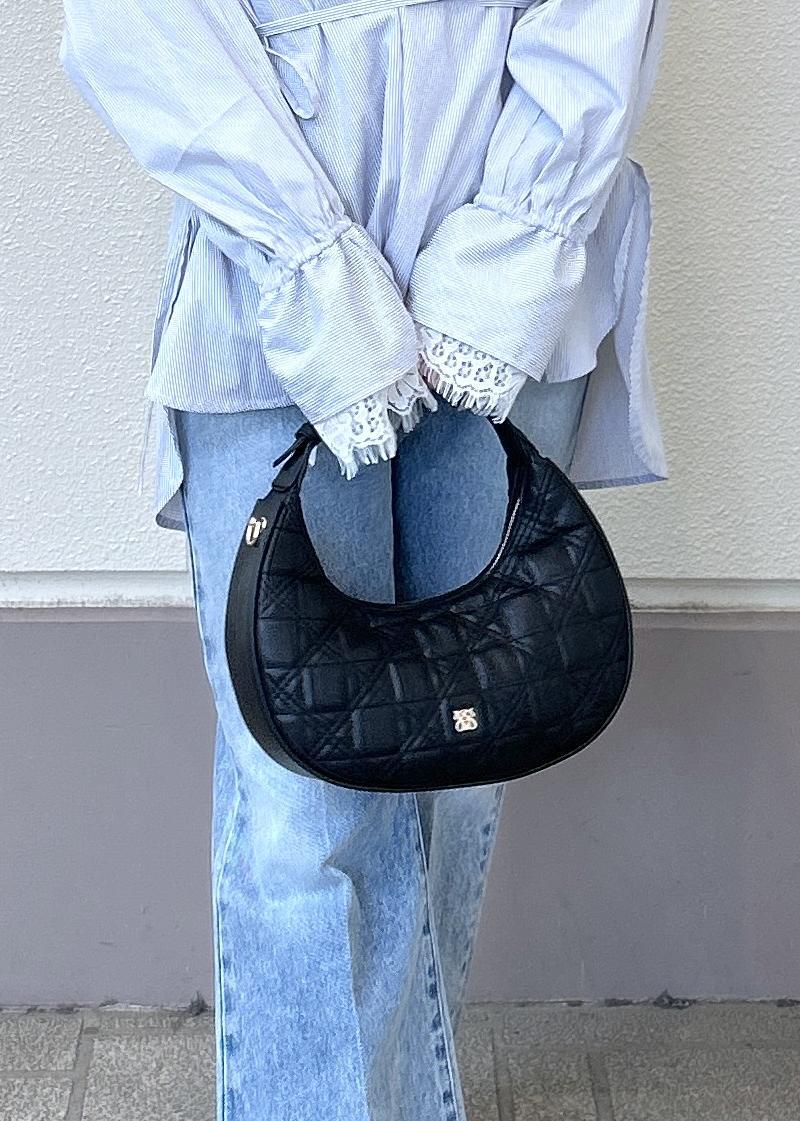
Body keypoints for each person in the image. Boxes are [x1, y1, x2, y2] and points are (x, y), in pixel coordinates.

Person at [57, 0, 670, 1117]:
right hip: (265, 252)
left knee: (462, 753)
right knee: (302, 792)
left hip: (508, 217)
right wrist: (312, 273)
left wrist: (506, 261)